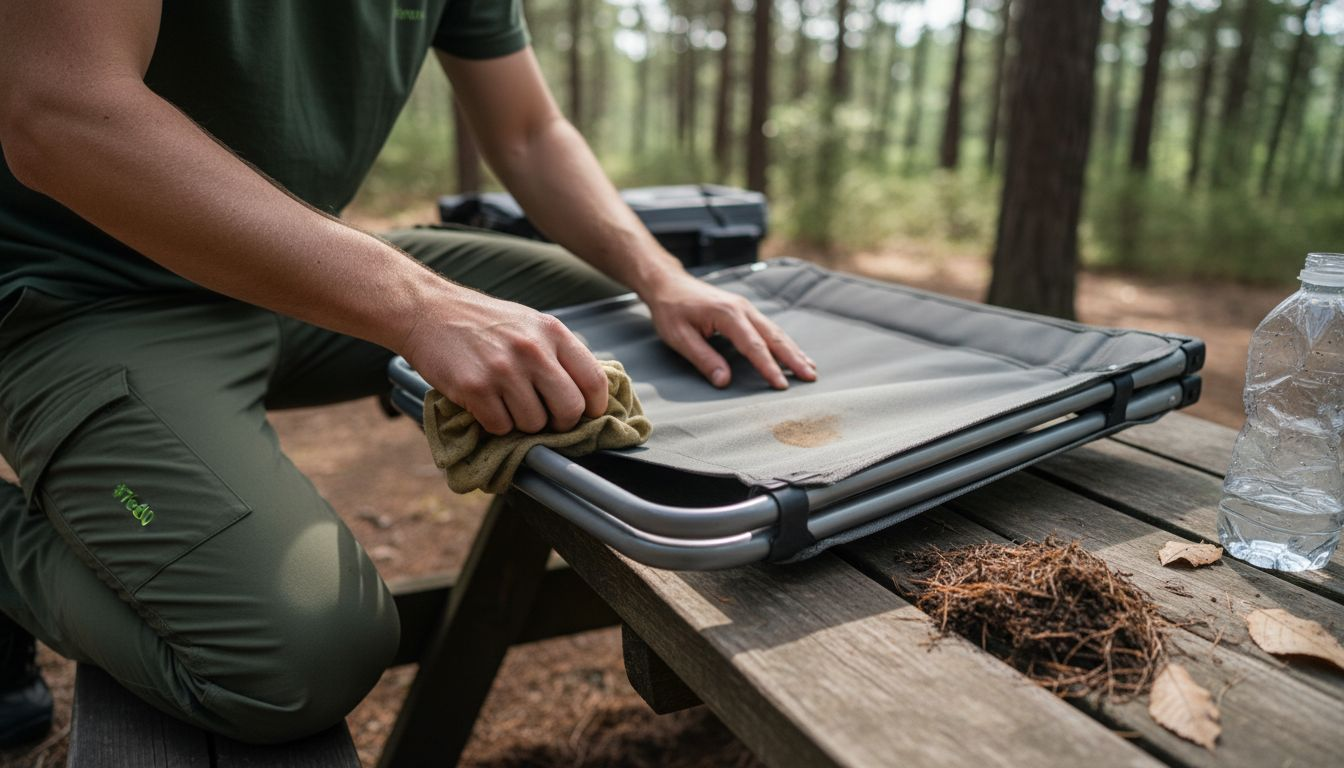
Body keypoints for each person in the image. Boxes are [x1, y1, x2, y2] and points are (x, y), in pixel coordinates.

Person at [0, 0, 815, 746]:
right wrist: (420, 307)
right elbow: (62, 114)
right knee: (301, 655)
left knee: (613, 326)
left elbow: (529, 131)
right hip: (85, 297)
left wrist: (661, 275)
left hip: (287, 268)